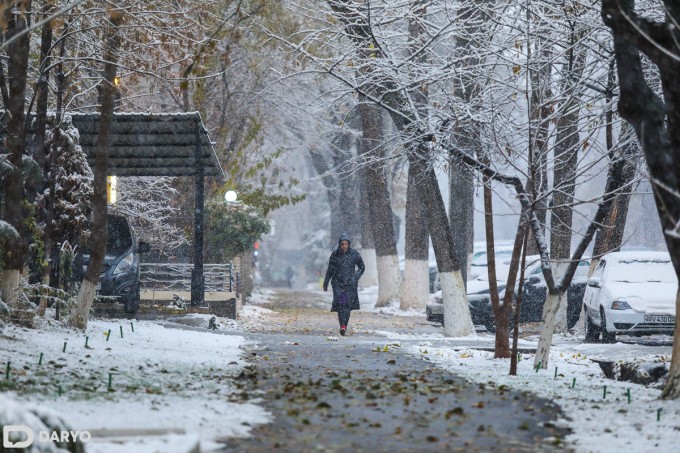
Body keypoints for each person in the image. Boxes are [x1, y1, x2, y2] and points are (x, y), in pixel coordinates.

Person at [323, 234, 365, 336]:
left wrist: (355, 277)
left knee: (347, 306)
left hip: (350, 284)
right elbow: (330, 269)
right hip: (338, 283)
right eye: (342, 244)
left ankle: (344, 325)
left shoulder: (354, 254)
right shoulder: (335, 255)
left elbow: (362, 267)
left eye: (346, 244)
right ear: (339, 244)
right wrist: (326, 281)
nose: (344, 246)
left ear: (349, 244)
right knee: (342, 305)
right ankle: (342, 326)